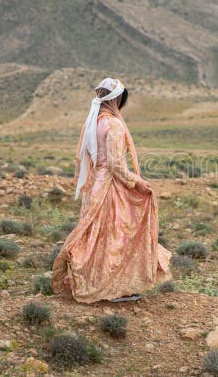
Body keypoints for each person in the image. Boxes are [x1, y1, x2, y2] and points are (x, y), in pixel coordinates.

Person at [51, 78, 171, 303]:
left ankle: (95, 281)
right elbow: (116, 164)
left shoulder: (92, 122)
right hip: (110, 185)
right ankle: (115, 287)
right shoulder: (113, 125)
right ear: (116, 99)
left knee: (98, 234)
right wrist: (136, 182)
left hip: (95, 184)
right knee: (118, 234)